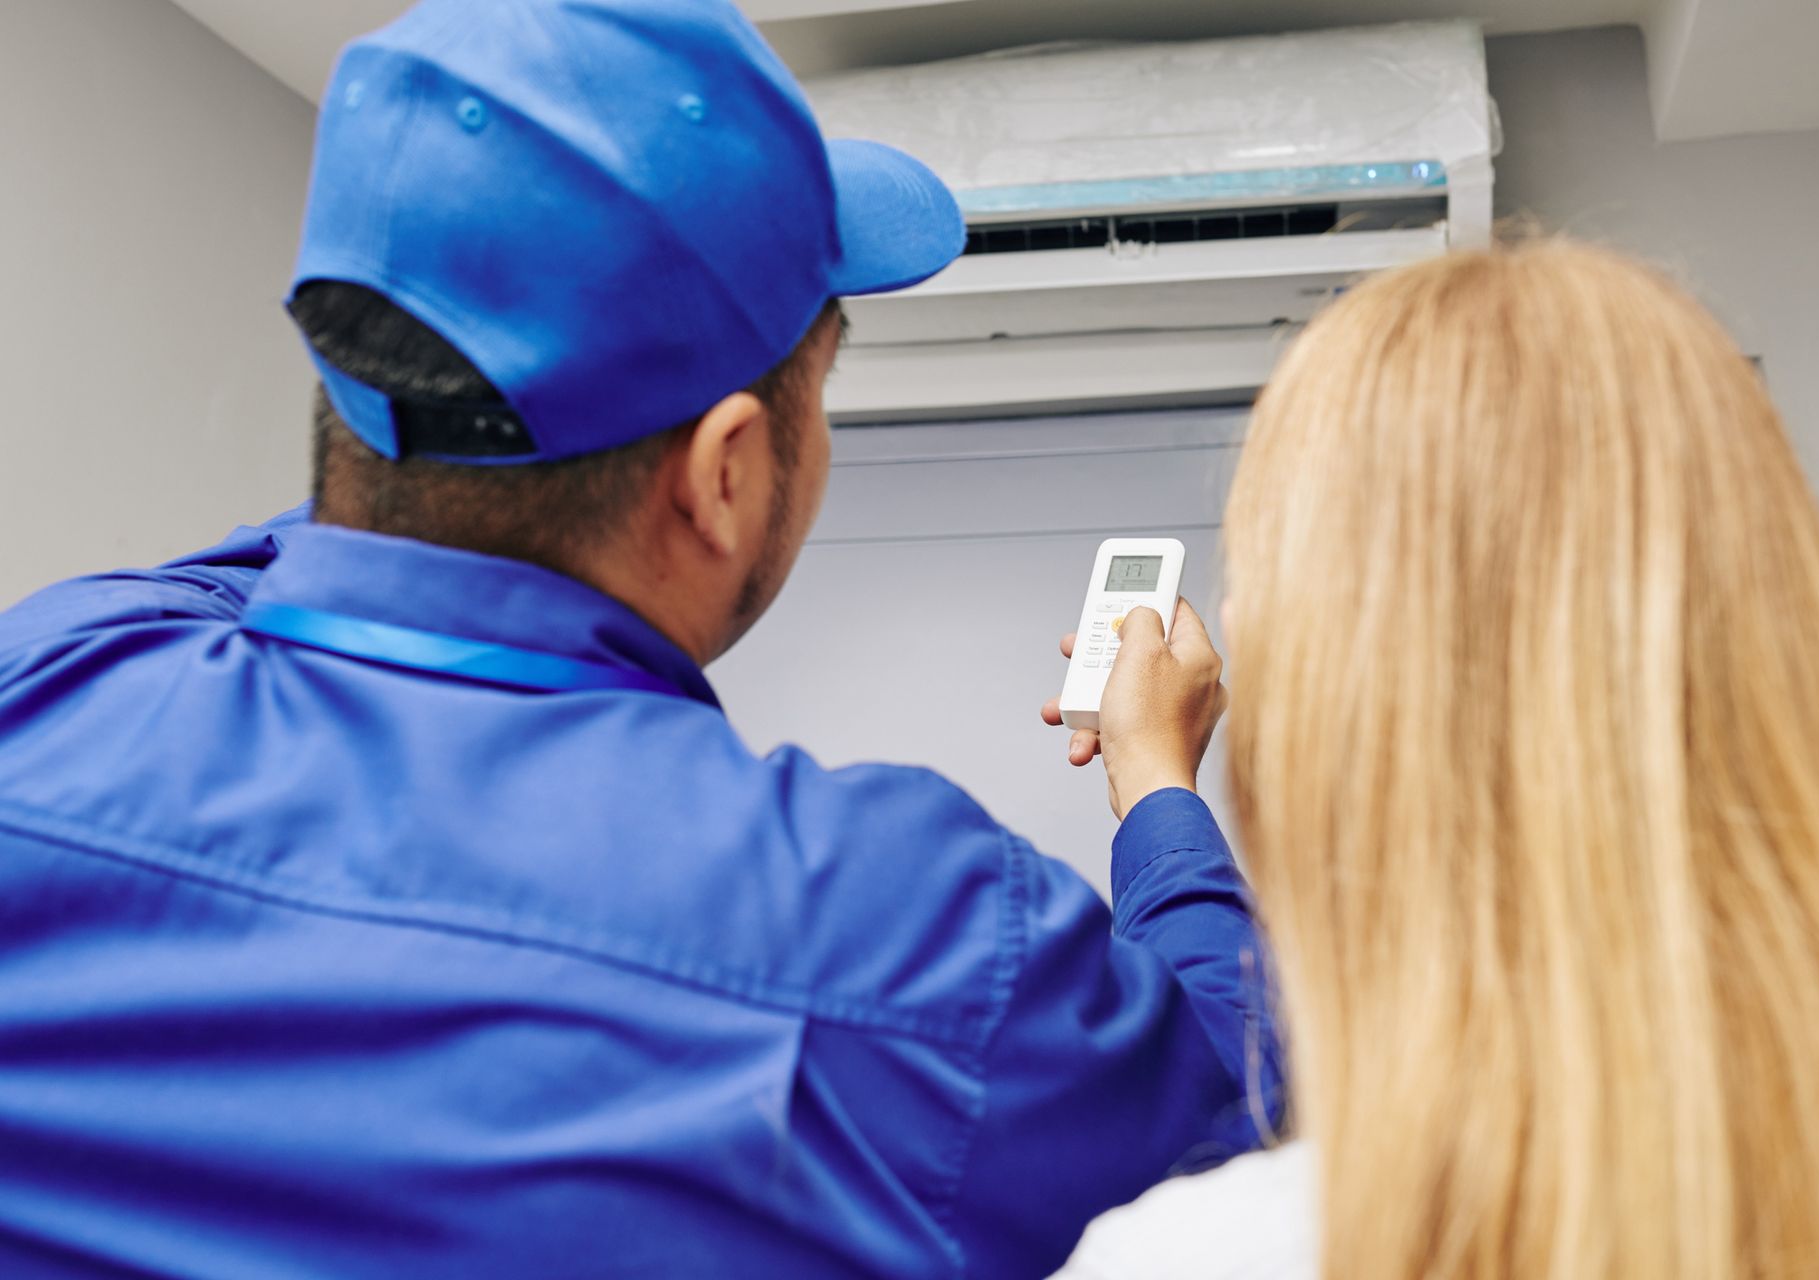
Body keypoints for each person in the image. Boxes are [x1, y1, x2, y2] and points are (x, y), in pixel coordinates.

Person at [0, 2, 1275, 1276]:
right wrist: (1154, 771)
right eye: (816, 393)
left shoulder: (48, 681)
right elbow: (1236, 1099)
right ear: (725, 473)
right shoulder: (904, 938)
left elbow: (320, 546)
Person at [1055, 239, 1819, 1279]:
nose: (1236, 613)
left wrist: (1157, 786)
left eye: (1270, 570)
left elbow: (1209, 1080)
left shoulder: (1215, 1253)